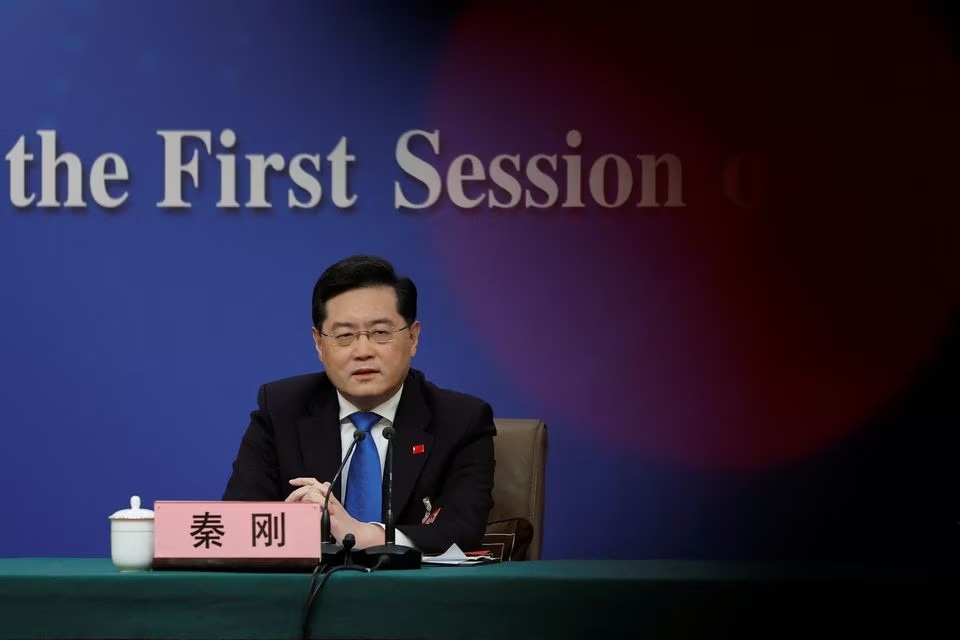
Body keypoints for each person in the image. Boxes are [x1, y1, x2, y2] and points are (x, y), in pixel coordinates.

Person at [223, 254, 496, 554]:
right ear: (318, 344)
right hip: (305, 595)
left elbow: (463, 530)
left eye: (380, 333)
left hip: (417, 597)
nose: (362, 350)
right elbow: (240, 520)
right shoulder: (280, 409)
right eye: (344, 335)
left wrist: (368, 536)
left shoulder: (461, 420)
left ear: (413, 338)